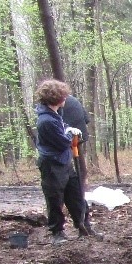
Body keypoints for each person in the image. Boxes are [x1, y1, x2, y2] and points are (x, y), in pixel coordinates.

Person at [34, 80, 88, 244]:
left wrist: (67, 128)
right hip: (52, 165)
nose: (66, 98)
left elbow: (62, 129)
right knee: (55, 198)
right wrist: (70, 134)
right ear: (56, 98)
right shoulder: (46, 121)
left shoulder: (54, 114)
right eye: (63, 95)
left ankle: (84, 226)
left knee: (75, 194)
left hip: (64, 161)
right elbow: (63, 142)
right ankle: (57, 232)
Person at [60, 93, 98, 235]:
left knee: (69, 186)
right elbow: (87, 119)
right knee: (75, 181)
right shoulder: (72, 100)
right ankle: (83, 222)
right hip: (73, 141)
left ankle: (80, 222)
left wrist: (70, 134)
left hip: (69, 145)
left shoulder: (62, 105)